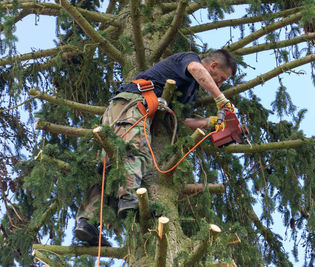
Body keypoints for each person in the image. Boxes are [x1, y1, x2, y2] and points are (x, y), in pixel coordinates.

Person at [74, 49, 237, 246]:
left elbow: (181, 120)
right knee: (134, 150)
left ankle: (87, 222)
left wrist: (209, 122)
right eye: (220, 78)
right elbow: (196, 69)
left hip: (122, 108)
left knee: (109, 165)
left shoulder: (190, 89)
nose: (219, 84)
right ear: (213, 66)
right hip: (134, 104)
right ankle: (128, 199)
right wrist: (221, 99)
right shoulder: (189, 59)